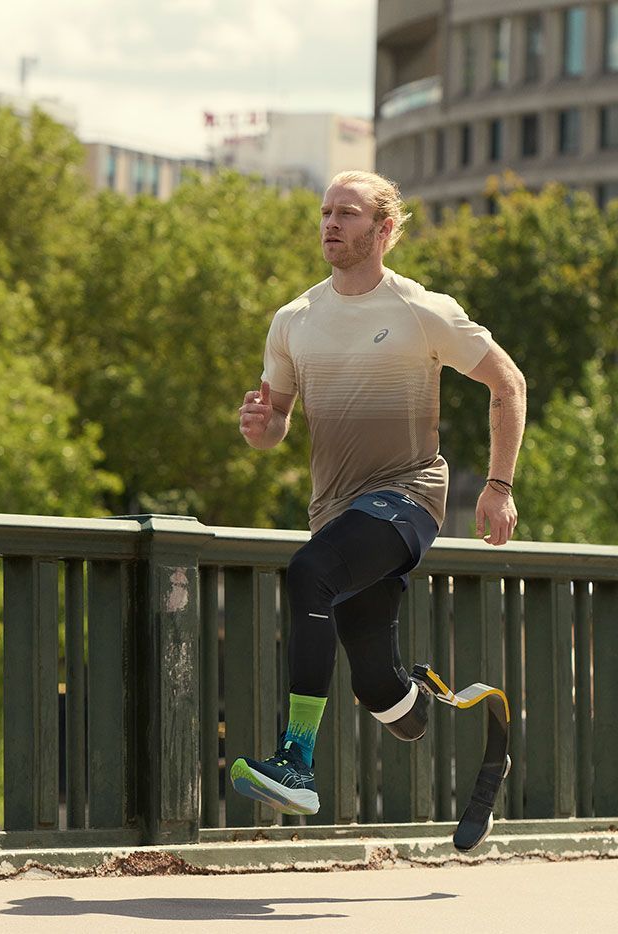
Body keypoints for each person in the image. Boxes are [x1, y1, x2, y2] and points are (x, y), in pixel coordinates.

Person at [229, 170, 527, 816]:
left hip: (408, 499)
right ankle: (419, 700)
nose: (331, 223)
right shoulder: (294, 320)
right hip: (336, 514)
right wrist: (262, 427)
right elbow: (275, 419)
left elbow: (509, 383)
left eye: (349, 213)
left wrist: (498, 486)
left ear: (384, 230)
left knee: (309, 572)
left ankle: (297, 762)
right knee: (377, 687)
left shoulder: (422, 311)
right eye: (325, 211)